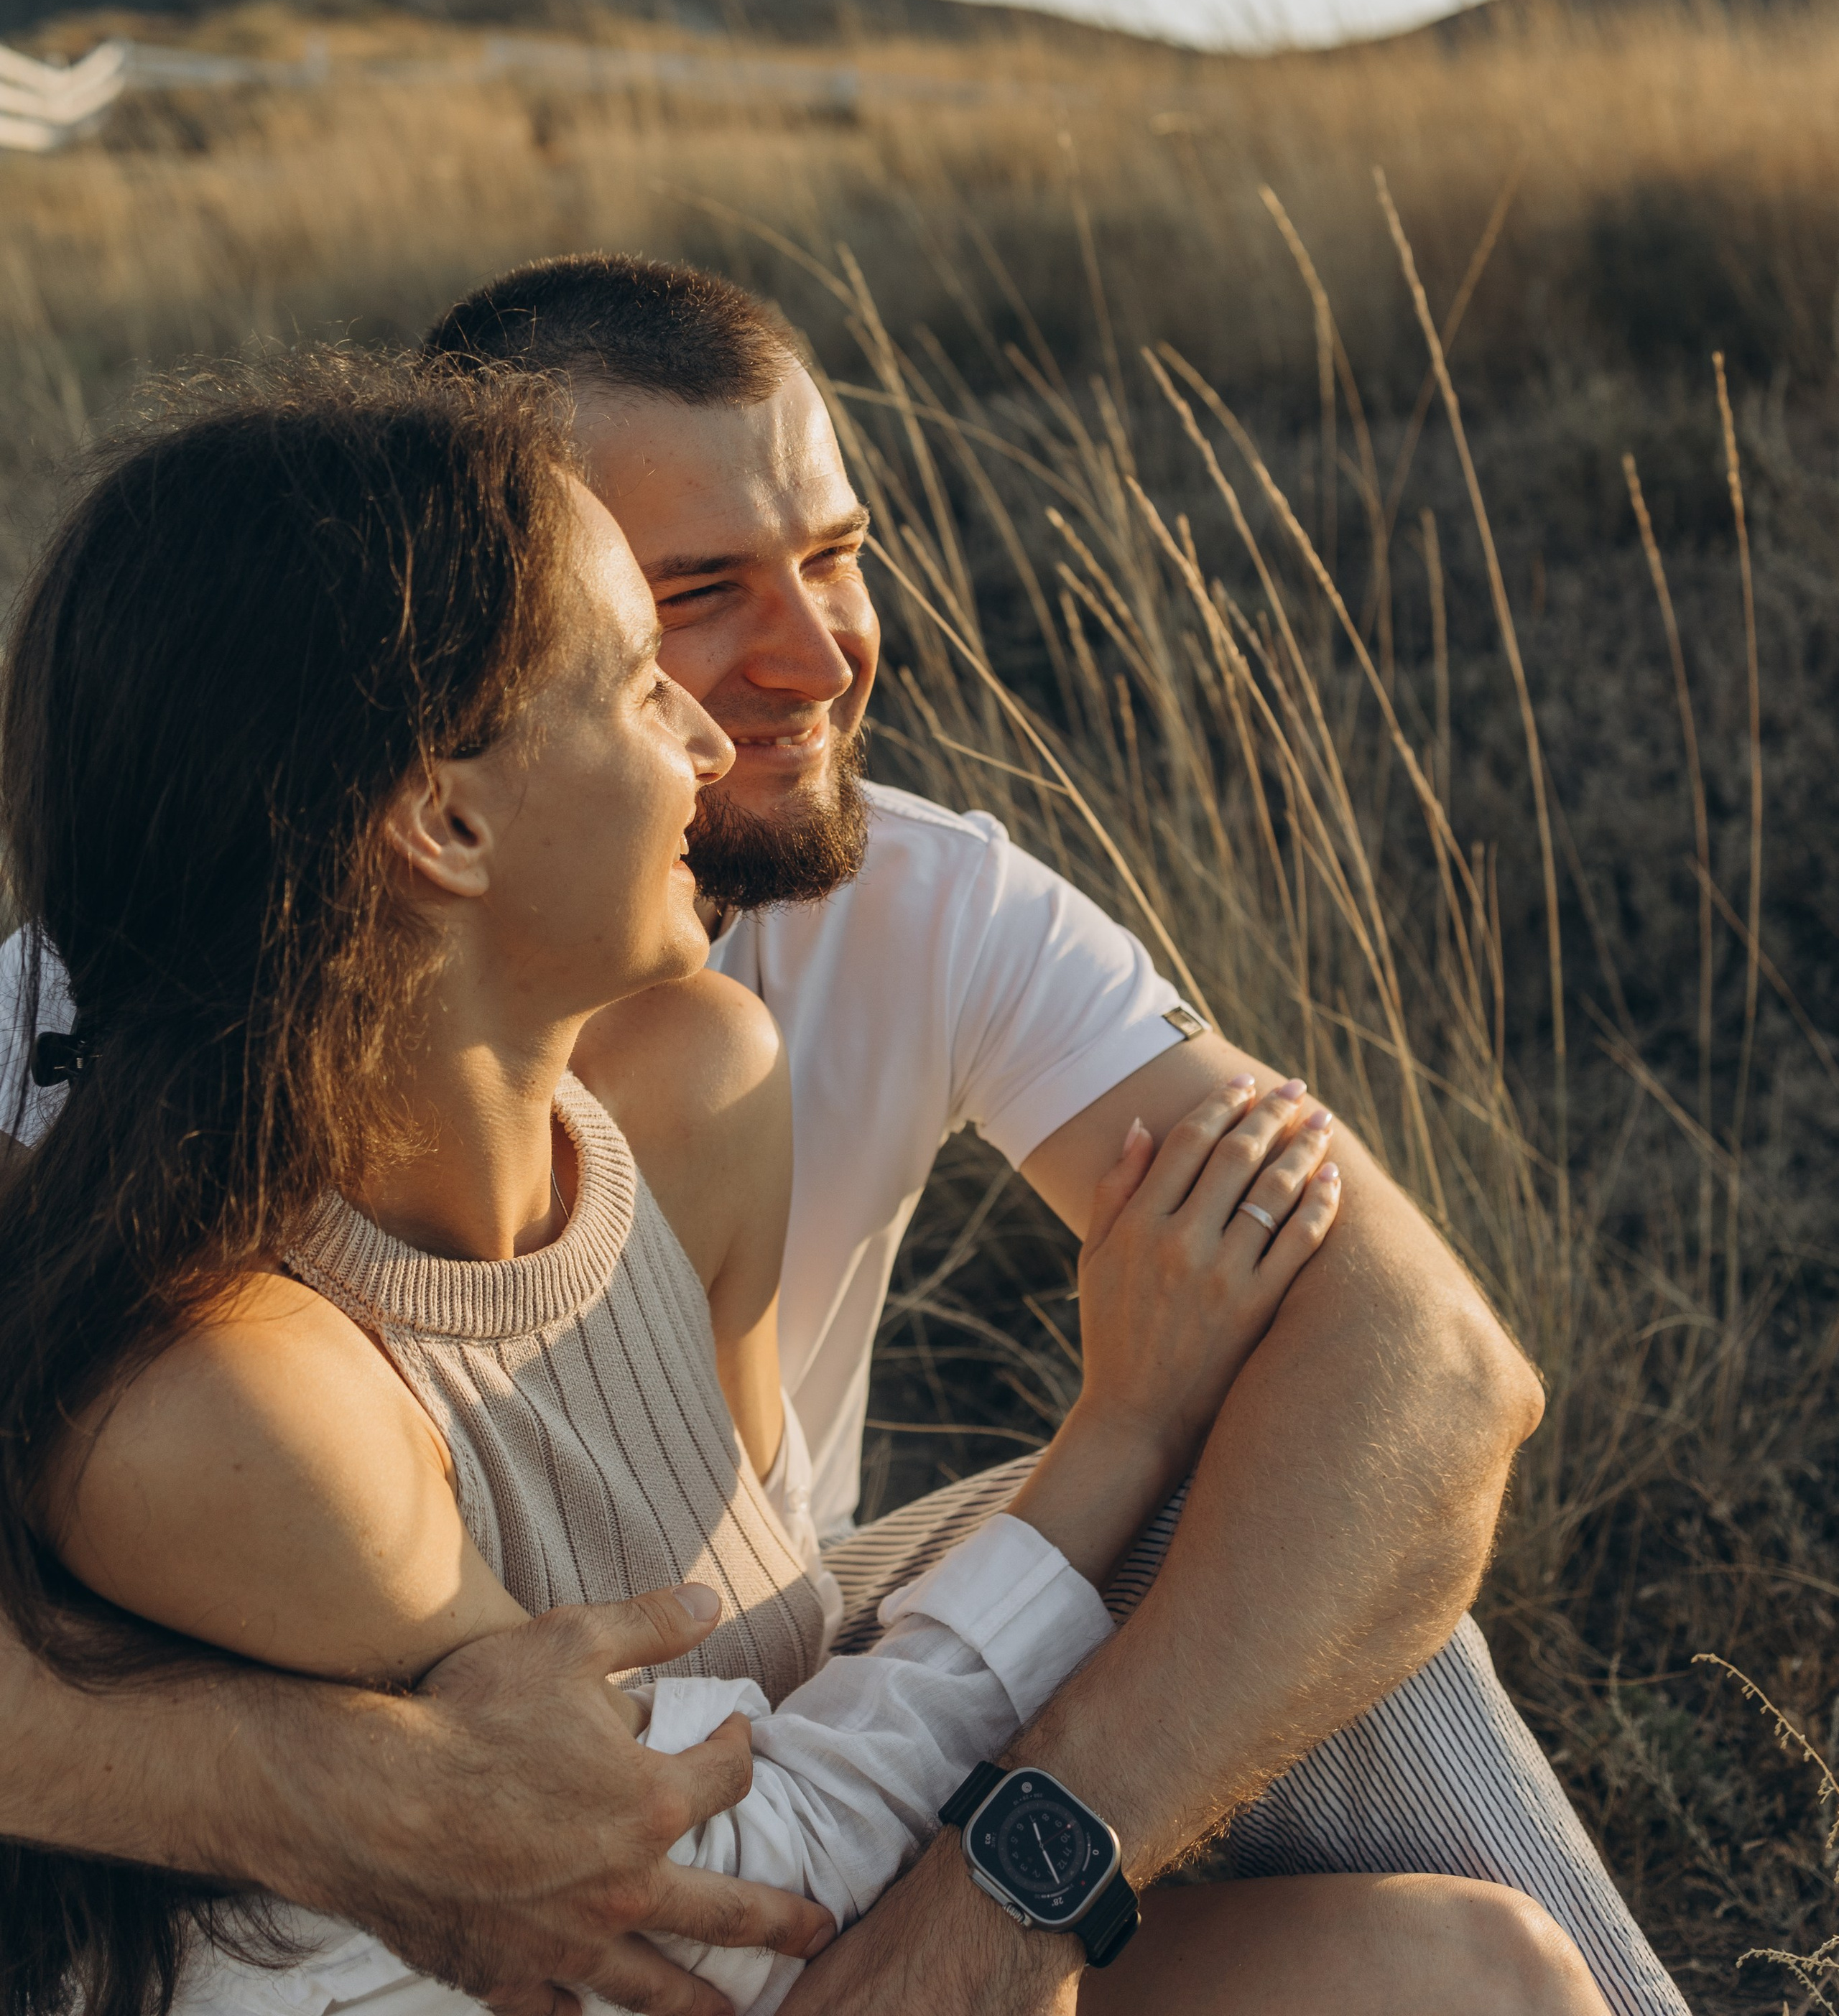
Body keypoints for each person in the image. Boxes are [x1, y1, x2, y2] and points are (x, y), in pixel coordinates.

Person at [0, 260, 1689, 2016]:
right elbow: (640, 1873)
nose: (805, 667)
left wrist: (993, 1912)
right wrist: (296, 1777)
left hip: (770, 1733)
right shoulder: (114, 1102)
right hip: (590, 1903)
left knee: (1363, 1711)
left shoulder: (753, 1026)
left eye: (831, 555)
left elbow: (1422, 1371)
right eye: (678, 610)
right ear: (429, 790)